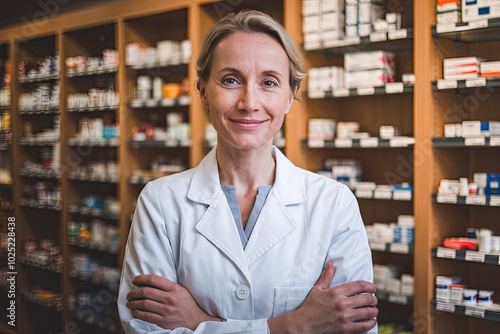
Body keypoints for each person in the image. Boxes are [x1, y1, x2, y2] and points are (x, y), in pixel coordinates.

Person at [118, 9, 378, 334]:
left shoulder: (335, 204)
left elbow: (356, 329)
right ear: (203, 93)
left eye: (269, 82)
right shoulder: (160, 202)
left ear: (290, 97)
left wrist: (199, 323)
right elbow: (145, 331)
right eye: (230, 80)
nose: (249, 102)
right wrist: (293, 326)